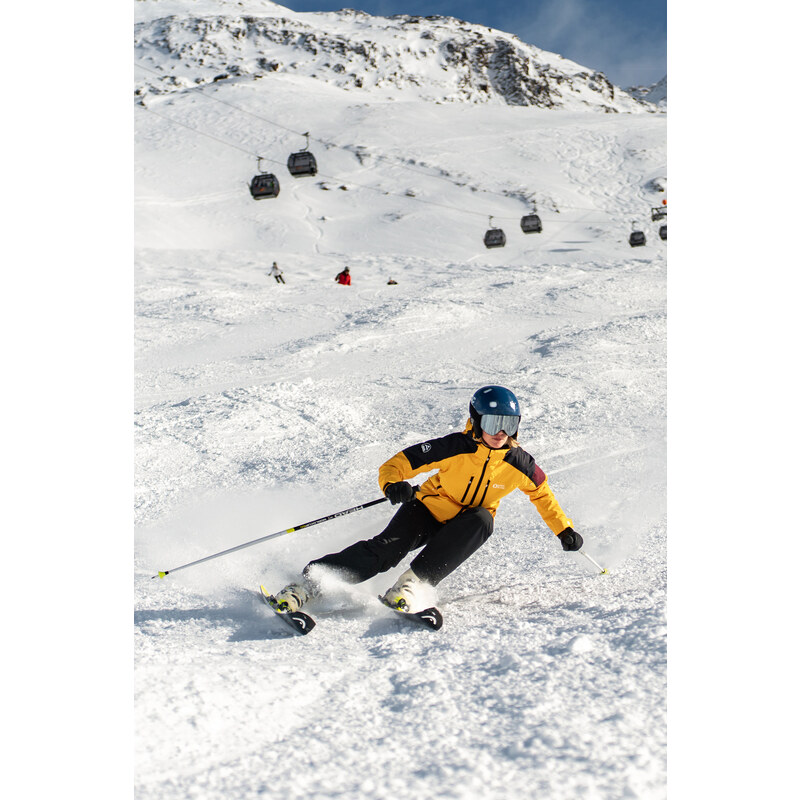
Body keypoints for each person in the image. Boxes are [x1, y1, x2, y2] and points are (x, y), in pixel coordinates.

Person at [273, 385, 583, 614]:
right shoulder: (455, 446)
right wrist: (393, 484)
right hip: (426, 509)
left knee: (482, 519)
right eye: (491, 422)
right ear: (476, 421)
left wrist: (563, 529)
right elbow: (397, 463)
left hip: (464, 525)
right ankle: (306, 586)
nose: (500, 432)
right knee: (386, 551)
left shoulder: (520, 464)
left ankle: (410, 587)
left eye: (509, 423)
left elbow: (543, 496)